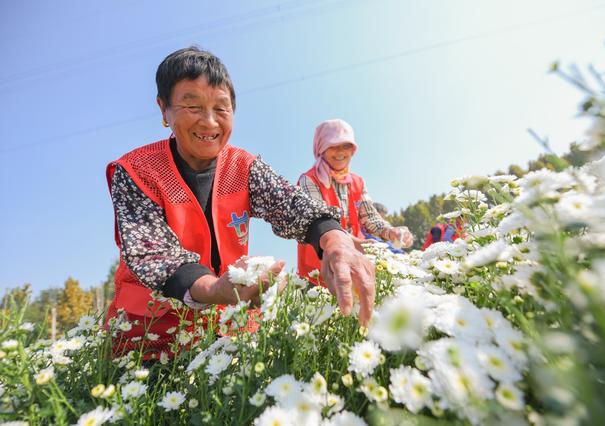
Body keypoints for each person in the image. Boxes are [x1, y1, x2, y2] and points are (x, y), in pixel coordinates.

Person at [106, 47, 375, 359]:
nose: (209, 122)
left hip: (229, 327)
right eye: (192, 106)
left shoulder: (243, 166)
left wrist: (333, 238)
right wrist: (212, 290)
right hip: (150, 336)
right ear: (164, 109)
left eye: (221, 109)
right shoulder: (136, 171)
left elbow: (289, 203)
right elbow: (152, 253)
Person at [297, 119, 413, 285]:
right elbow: (319, 222)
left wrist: (390, 232)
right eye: (333, 146)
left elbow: (370, 218)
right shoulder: (309, 180)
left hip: (356, 262)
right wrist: (354, 241)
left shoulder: (357, 182)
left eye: (346, 146)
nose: (340, 152)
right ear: (321, 147)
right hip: (320, 270)